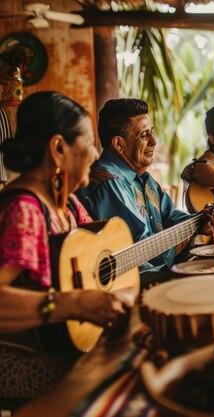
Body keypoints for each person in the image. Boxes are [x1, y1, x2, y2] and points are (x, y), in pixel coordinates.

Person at [0, 92, 134, 400]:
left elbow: (95, 254)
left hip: (62, 343)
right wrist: (73, 304)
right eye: (88, 142)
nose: (95, 153)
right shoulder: (25, 210)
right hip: (23, 360)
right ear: (59, 148)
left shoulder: (68, 204)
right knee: (124, 377)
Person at [77, 99, 214, 287]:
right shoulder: (110, 182)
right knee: (211, 281)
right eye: (145, 135)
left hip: (158, 271)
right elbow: (147, 249)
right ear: (119, 144)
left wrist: (200, 220)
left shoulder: (144, 179)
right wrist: (193, 228)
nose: (154, 142)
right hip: (133, 282)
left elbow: (171, 217)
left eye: (151, 132)